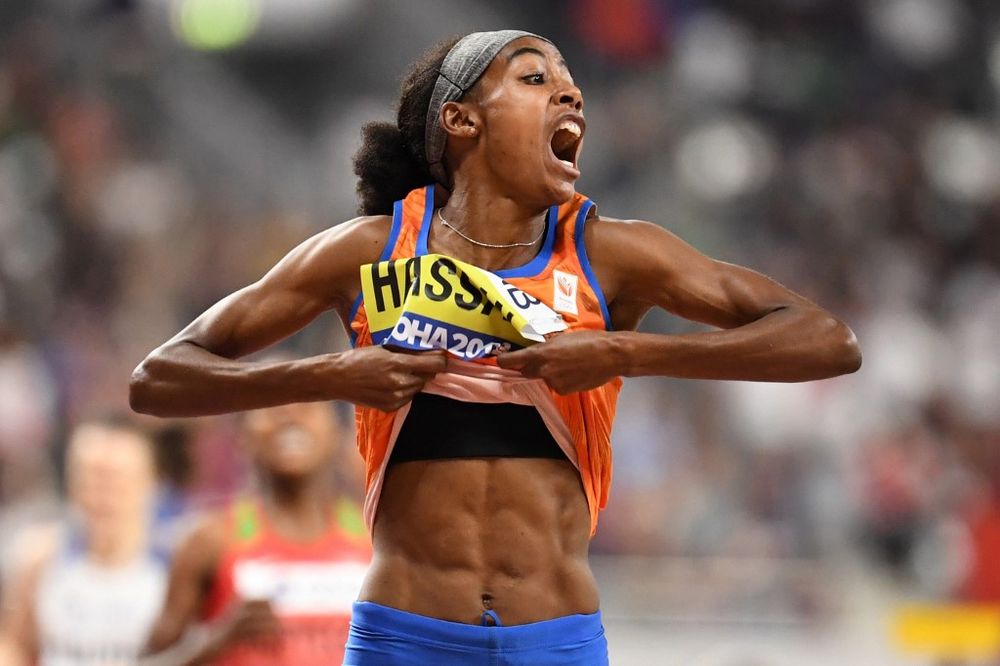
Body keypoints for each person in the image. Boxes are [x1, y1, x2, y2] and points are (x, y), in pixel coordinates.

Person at [130, 30, 862, 665]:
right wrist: (336, 373)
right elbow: (160, 379)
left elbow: (827, 342)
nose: (571, 98)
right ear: (461, 120)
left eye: (574, 89)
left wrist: (626, 355)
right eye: (537, 79)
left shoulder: (610, 254)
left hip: (556, 636)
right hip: (404, 634)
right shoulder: (369, 254)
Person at [141, 400, 371, 665]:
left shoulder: (375, 541)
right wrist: (219, 638)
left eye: (307, 405)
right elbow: (148, 662)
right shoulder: (209, 541)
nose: (289, 416)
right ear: (242, 436)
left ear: (338, 433)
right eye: (272, 405)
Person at [0, 415, 167, 666]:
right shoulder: (42, 558)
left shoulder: (175, 564)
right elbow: (15, 646)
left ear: (149, 482)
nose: (100, 495)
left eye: (115, 480)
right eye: (88, 477)